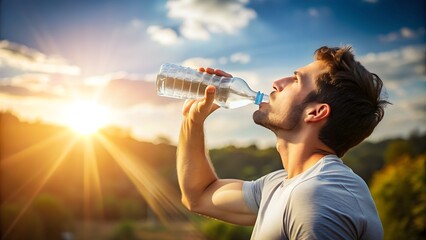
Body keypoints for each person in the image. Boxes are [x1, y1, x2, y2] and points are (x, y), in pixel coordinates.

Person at [176, 46, 388, 239]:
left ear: (315, 112)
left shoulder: (320, 194)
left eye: (296, 80)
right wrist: (192, 120)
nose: (277, 83)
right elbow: (199, 196)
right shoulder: (281, 185)